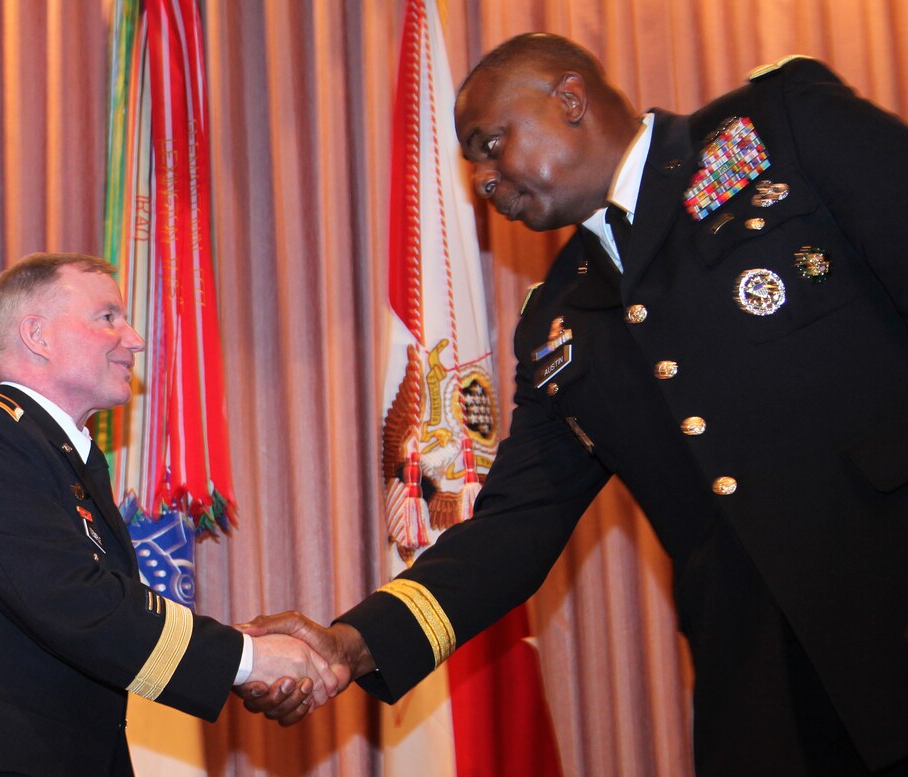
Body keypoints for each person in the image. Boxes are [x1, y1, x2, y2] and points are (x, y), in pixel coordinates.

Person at [241, 33, 908, 777]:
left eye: (491, 145)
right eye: (474, 168)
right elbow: (513, 528)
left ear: (568, 98)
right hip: (769, 698)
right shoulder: (558, 322)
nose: (486, 181)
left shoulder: (775, 127)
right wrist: (350, 642)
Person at [0, 253, 339, 777]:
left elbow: (98, 621)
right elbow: (74, 603)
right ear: (36, 335)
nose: (134, 338)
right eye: (107, 317)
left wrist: (239, 654)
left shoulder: (64, 458)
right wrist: (248, 659)